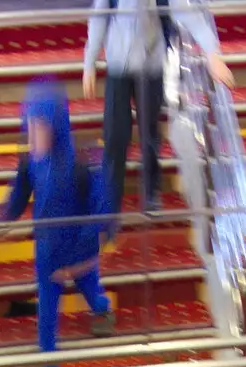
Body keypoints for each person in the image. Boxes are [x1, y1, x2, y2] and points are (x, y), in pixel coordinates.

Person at [0, 79, 118, 357]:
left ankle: (102, 309)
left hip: (79, 245)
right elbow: (19, 194)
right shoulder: (30, 161)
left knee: (90, 290)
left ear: (55, 124)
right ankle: (49, 364)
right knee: (47, 309)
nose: (32, 136)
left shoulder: (82, 161)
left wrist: (79, 261)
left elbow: (101, 208)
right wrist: (1, 220)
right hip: (48, 247)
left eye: (39, 126)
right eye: (29, 125)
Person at [83, 0, 233, 214]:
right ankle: (110, 198)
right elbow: (99, 17)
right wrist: (90, 62)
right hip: (119, 66)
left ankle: (151, 192)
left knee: (149, 133)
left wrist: (212, 52)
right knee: (115, 135)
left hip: (151, 66)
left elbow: (187, 13)